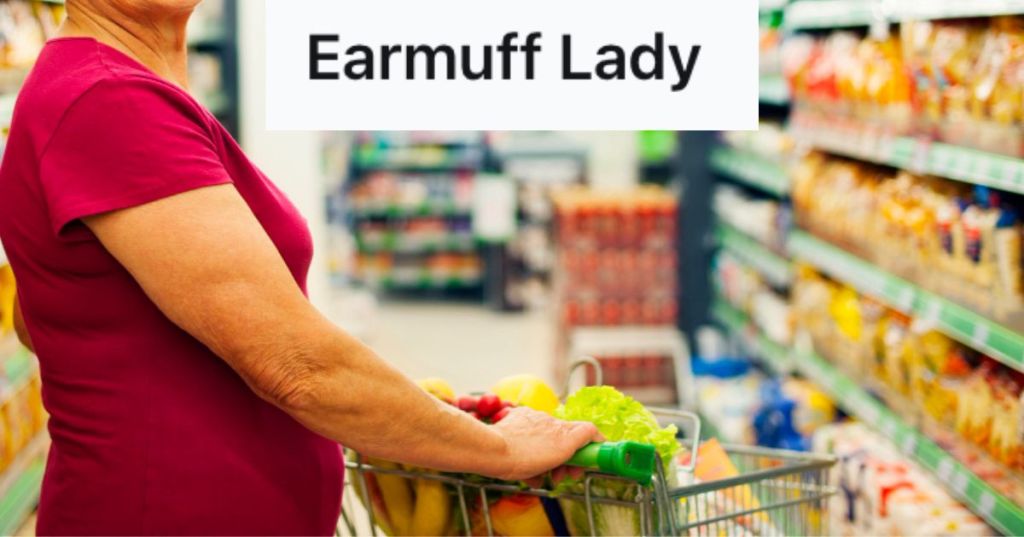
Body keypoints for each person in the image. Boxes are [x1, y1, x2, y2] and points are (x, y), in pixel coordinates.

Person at [0, 0, 601, 534]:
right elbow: (296, 366)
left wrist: (403, 410)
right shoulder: (108, 100)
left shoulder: (120, 90)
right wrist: (501, 450)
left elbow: (47, 316)